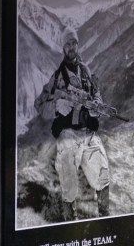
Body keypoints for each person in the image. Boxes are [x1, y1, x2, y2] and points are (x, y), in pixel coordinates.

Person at [35, 26, 112, 221]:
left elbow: (96, 94)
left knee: (103, 173)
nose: (71, 47)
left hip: (87, 132)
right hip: (68, 134)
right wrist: (56, 106)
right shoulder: (57, 77)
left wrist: (97, 105)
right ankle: (70, 220)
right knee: (68, 182)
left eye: (74, 43)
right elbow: (39, 104)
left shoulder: (85, 71)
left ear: (78, 45)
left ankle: (106, 218)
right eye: (67, 44)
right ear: (63, 48)